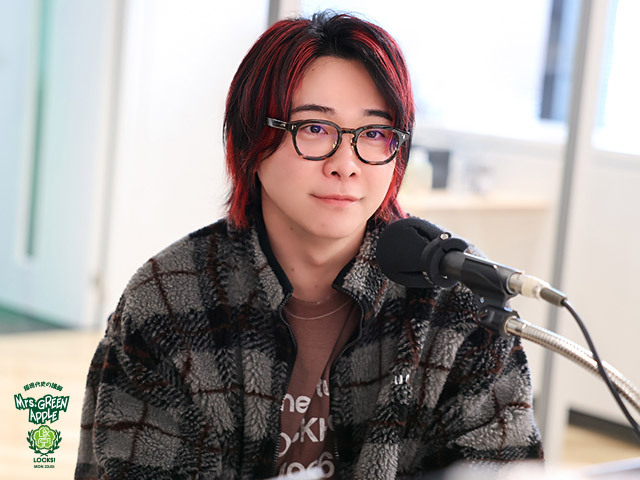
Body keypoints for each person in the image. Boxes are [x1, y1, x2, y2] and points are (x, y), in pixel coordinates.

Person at [75, 11, 542, 480]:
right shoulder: (170, 299)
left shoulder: (452, 291)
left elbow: (501, 466)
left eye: (374, 134)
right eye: (315, 128)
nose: (346, 165)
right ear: (250, 141)